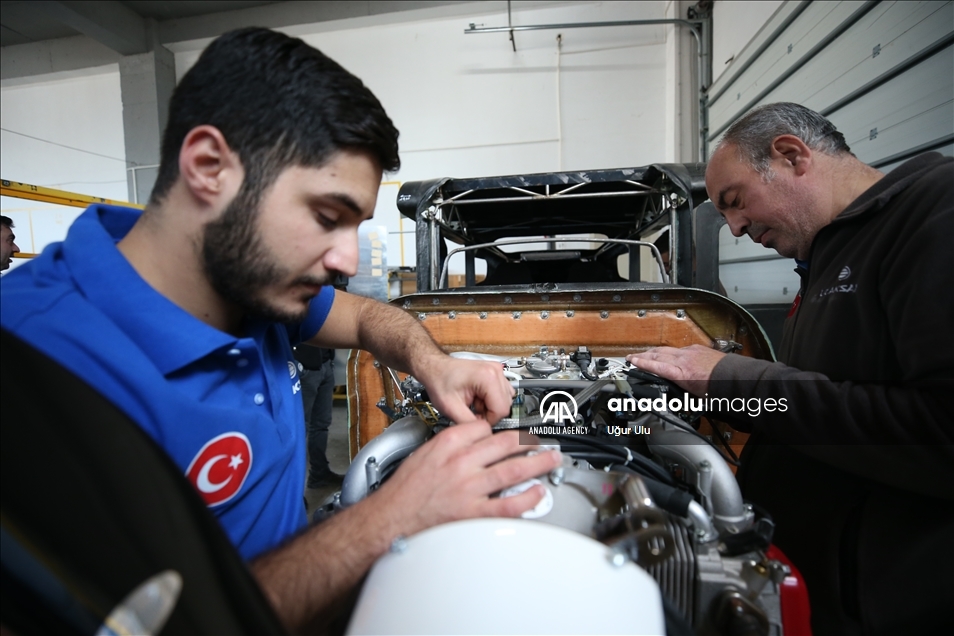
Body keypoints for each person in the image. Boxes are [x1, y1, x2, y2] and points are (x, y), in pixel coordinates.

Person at [0, 27, 561, 632]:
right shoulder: (34, 361)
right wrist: (388, 520)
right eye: (326, 215)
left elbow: (367, 317)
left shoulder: (254, 287)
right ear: (209, 167)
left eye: (355, 225)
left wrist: (434, 364)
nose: (347, 259)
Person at [627, 103, 953, 634]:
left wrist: (732, 380)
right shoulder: (827, 254)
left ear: (791, 156)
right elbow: (820, 402)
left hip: (891, 607)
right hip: (814, 592)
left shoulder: (935, 211)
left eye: (735, 202)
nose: (735, 228)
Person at [294, 342, 341, 488]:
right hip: (305, 369)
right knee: (299, 429)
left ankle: (319, 474)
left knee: (321, 424)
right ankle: (293, 488)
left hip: (325, 364)